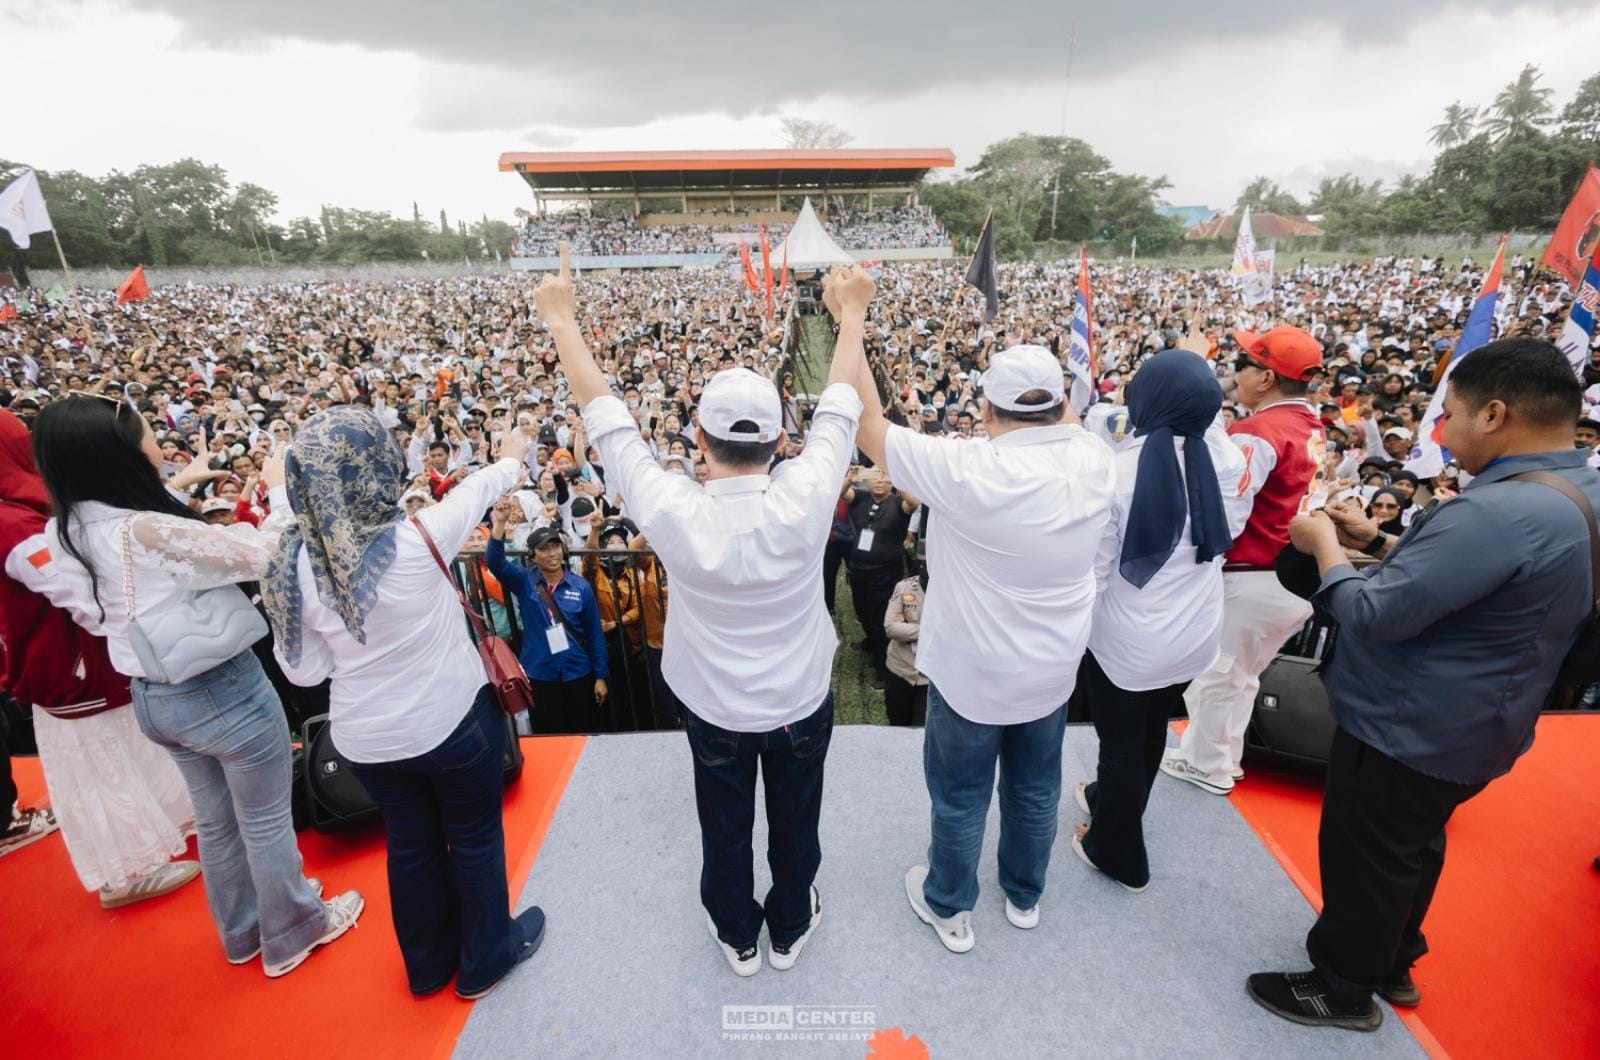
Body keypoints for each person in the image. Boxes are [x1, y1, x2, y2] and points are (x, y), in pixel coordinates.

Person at [1248, 339, 1600, 1030]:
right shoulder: (1580, 490)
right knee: (1412, 841)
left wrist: (1323, 546)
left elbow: (1373, 615)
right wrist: (1378, 545)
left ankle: (1343, 986)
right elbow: (1481, 586)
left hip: (1408, 722)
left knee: (1365, 854)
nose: (1442, 433)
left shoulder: (1497, 511)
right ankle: (1396, 956)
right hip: (1484, 717)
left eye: (1453, 416)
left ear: (1495, 413)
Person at [535, 244, 865, 977]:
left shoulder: (671, 504)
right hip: (800, 703)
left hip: (715, 709)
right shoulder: (808, 492)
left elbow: (608, 419)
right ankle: (788, 922)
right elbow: (842, 403)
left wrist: (563, 322)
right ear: (782, 439)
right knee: (796, 821)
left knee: (723, 826)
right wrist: (853, 315)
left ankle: (737, 935)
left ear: (698, 441)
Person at [29, 395, 360, 977]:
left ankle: (242, 933)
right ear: (119, 453)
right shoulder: (145, 531)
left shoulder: (64, 530)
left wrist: (182, 480)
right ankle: (294, 929)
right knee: (262, 817)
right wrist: (280, 491)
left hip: (152, 695)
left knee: (216, 821)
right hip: (219, 688)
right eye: (146, 434)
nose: (156, 439)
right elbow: (267, 553)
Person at [263, 405, 545, 1000]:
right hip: (454, 725)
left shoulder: (291, 563)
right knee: (473, 838)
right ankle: (486, 959)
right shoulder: (418, 537)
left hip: (365, 739)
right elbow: (485, 484)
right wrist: (515, 451)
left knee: (411, 845)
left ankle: (427, 965)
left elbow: (304, 669)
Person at [850, 330, 1117, 952]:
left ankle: (949, 905)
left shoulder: (968, 467)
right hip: (1052, 668)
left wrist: (854, 313)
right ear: (1060, 405)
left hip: (971, 673)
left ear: (986, 410)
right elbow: (1065, 418)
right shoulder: (1097, 458)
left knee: (961, 794)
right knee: (1034, 788)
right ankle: (1024, 894)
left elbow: (866, 421)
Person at [0, 408, 201, 905]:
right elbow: (84, 599)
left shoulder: (34, 505)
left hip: (95, 661)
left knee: (133, 747)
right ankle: (124, 872)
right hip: (71, 666)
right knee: (98, 763)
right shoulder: (11, 522)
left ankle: (167, 825)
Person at [1073, 350, 1250, 892]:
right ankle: (1108, 799)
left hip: (1129, 641)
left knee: (1125, 744)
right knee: (1150, 728)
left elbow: (1096, 571)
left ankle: (1117, 849)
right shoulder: (1228, 462)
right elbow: (1207, 423)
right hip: (1193, 635)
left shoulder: (1116, 472)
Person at [1163, 326, 1326, 795]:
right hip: (1291, 577)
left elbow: (1227, 505)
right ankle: (1224, 756)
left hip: (1256, 572)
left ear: (1267, 378)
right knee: (1244, 674)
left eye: (1245, 363)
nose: (1236, 371)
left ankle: (1206, 764)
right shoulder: (1310, 425)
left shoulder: (1260, 431)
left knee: (1218, 672)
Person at [485, 519, 608, 735]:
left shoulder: (581, 587)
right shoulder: (524, 580)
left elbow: (595, 635)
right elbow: (495, 562)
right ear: (532, 555)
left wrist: (600, 676)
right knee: (549, 736)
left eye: (556, 546)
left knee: (582, 733)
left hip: (577, 672)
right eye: (544, 549)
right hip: (540, 674)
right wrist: (500, 525)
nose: (553, 553)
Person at [844, 467, 918, 688]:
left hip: (885, 572)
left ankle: (883, 668)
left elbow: (914, 504)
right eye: (875, 477)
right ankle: (870, 642)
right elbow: (838, 494)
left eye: (885, 478)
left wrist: (899, 478)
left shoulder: (898, 503)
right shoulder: (860, 498)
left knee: (880, 619)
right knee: (862, 611)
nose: (879, 482)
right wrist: (849, 478)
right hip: (858, 568)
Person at [882, 563, 928, 726]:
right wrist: (929, 631)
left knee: (921, 729)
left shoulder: (952, 591)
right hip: (899, 670)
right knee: (897, 724)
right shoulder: (904, 587)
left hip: (928, 678)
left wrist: (908, 630)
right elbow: (891, 627)